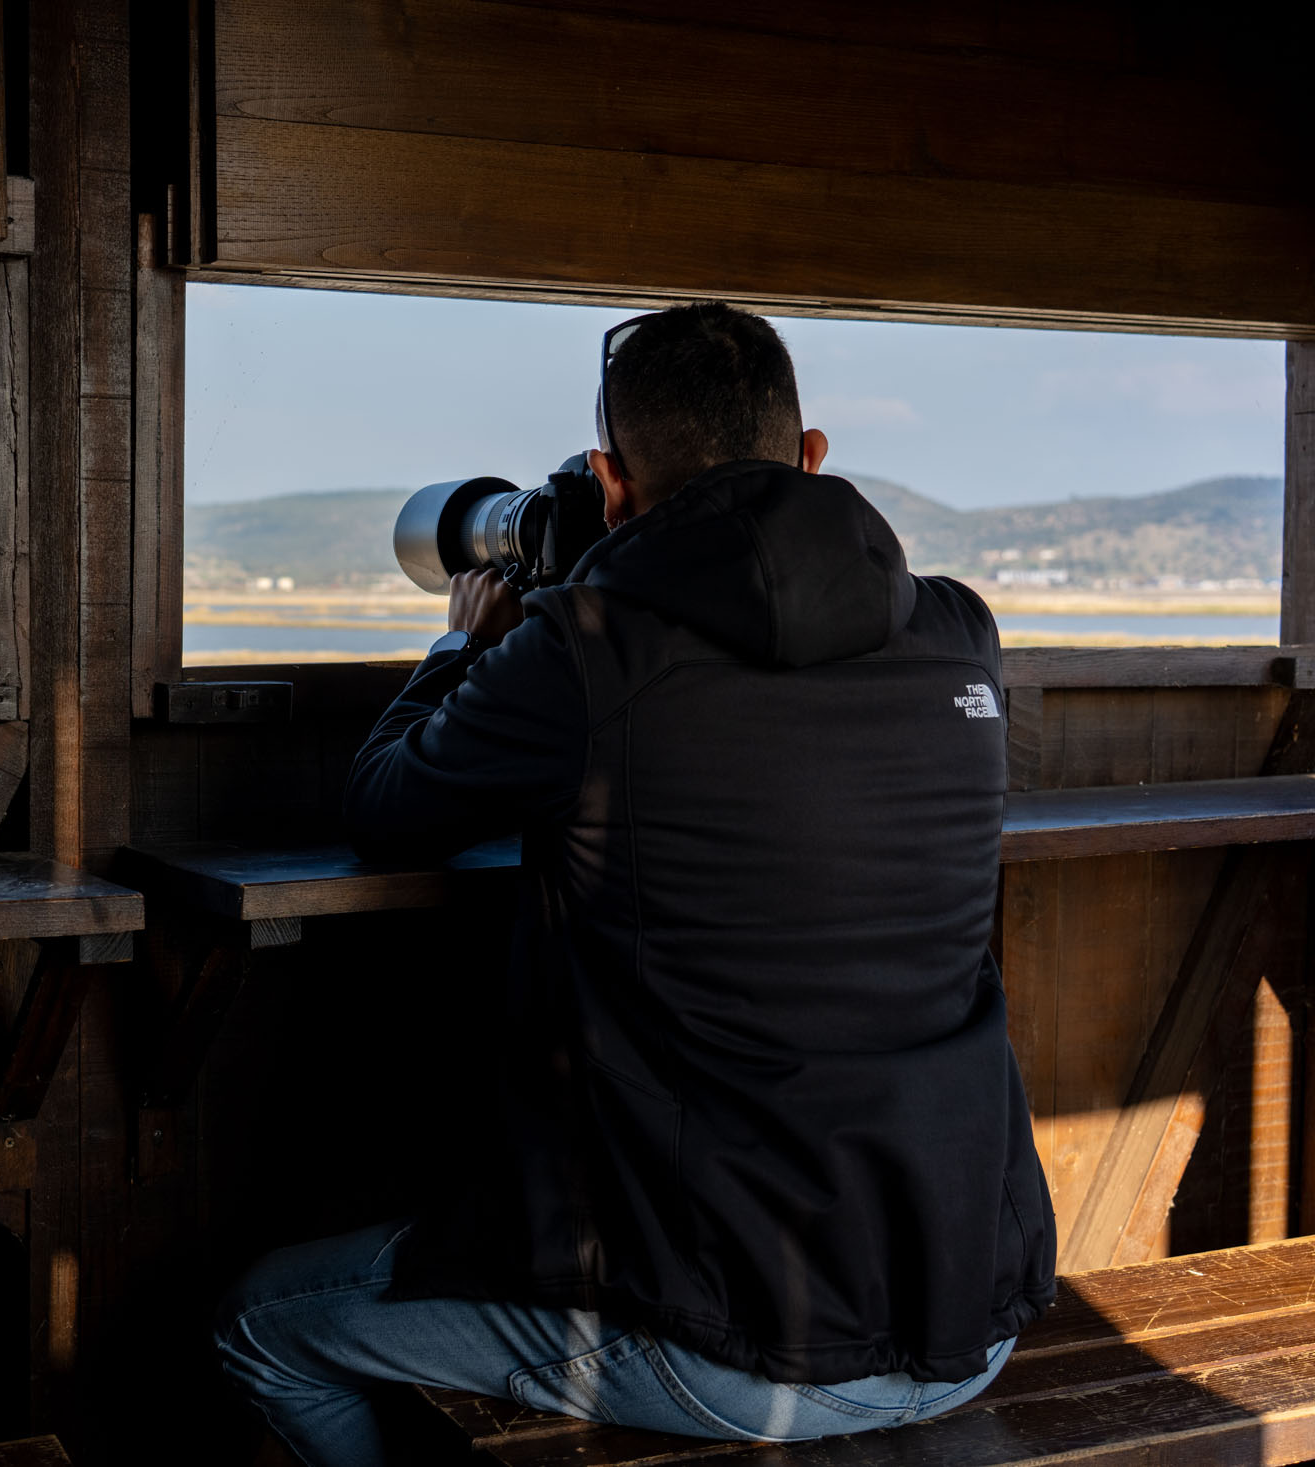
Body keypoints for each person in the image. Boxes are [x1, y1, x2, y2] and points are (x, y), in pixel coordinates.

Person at [212, 302, 1055, 1466]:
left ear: (608, 484)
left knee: (265, 1324)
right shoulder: (961, 634)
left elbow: (387, 809)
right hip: (970, 1314)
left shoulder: (587, 648)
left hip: (734, 1344)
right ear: (812, 457)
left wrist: (463, 647)